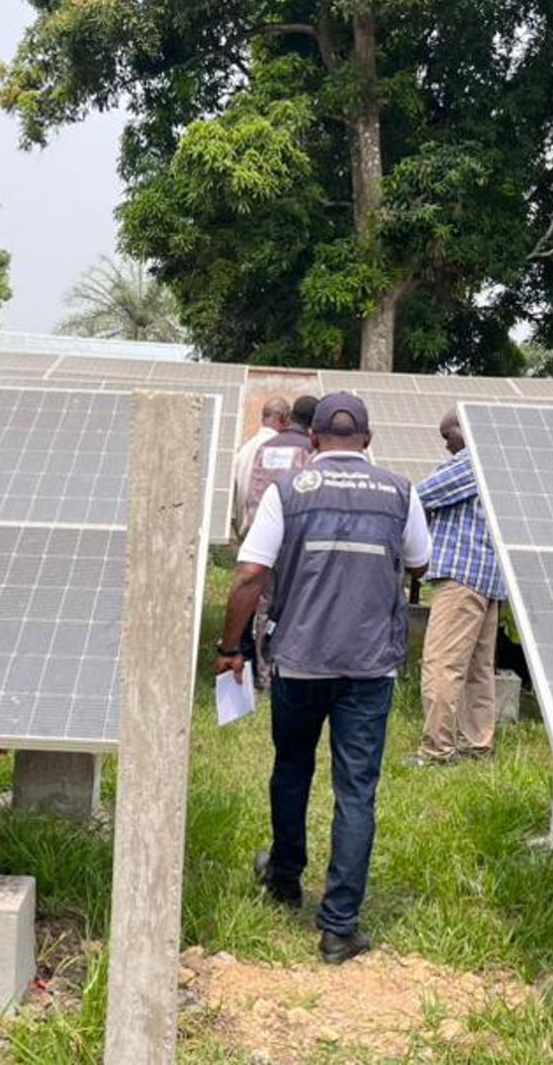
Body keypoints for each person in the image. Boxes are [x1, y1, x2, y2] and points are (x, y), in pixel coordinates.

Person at [215, 392, 430, 965]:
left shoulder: (289, 492)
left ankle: (285, 877)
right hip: (370, 666)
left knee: (291, 768)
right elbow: (420, 564)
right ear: (368, 438)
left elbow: (249, 575)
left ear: (312, 440)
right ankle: (338, 927)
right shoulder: (400, 491)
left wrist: (230, 647)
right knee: (355, 789)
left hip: (301, 660)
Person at [407, 410, 509, 767]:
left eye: (447, 434)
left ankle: (437, 750)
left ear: (465, 429)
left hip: (461, 577)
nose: (445, 443)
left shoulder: (472, 461)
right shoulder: (499, 461)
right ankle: (477, 744)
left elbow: (418, 497)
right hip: (489, 579)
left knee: (442, 664)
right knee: (479, 669)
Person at [235, 395, 317, 685]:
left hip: (262, 540)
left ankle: (262, 673)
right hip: (296, 544)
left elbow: (254, 494)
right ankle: (284, 670)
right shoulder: (309, 450)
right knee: (294, 606)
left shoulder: (266, 447)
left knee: (263, 606)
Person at [231, 397, 291, 537]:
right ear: (283, 418)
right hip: (266, 536)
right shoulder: (278, 449)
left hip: (245, 535)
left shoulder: (244, 449)